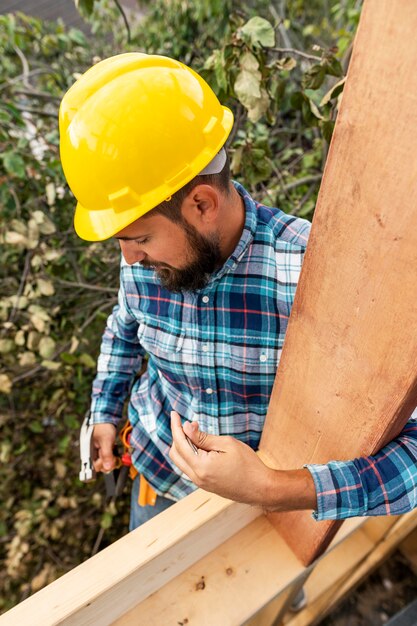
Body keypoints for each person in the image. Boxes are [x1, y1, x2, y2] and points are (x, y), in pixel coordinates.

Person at [60, 53, 417, 530]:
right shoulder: (149, 258)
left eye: (139, 239)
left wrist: (273, 488)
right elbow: (124, 328)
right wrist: (105, 410)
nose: (129, 260)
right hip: (159, 484)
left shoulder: (314, 277)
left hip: (268, 516)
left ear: (201, 204)